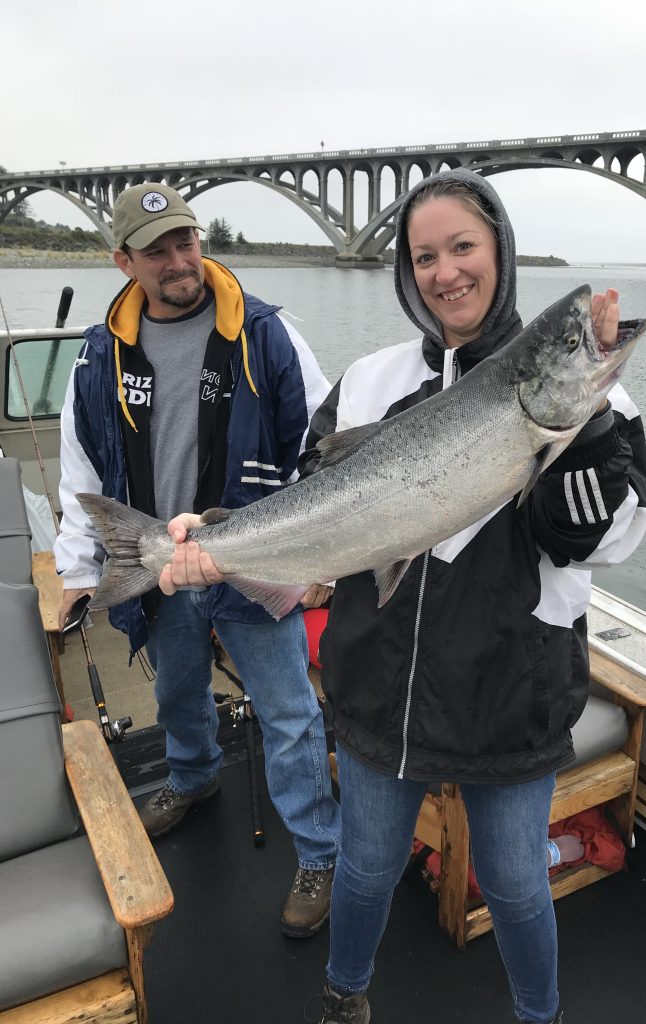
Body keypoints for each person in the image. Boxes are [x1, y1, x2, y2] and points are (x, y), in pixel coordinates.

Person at [159, 169, 646, 1023]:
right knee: (364, 863)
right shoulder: (369, 381)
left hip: (510, 695)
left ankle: (540, 1016)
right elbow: (314, 503)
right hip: (381, 687)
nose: (446, 271)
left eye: (463, 246)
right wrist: (220, 536)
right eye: (425, 255)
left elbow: (606, 542)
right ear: (406, 272)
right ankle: (345, 997)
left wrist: (588, 428)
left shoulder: (603, 408)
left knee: (516, 883)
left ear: (498, 248)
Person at [53, 182, 341, 940]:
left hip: (256, 551)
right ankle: (192, 776)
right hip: (160, 561)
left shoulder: (266, 334)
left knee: (288, 712)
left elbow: (321, 445)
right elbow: (81, 471)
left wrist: (320, 552)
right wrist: (79, 572)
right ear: (123, 261)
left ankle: (319, 852)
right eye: (158, 251)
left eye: (187, 241)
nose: (179, 260)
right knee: (177, 687)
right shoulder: (98, 356)